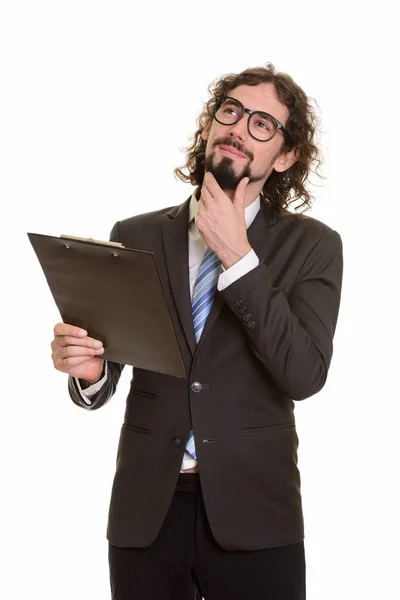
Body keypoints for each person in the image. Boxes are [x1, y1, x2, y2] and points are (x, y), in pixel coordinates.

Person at [51, 62, 343, 600]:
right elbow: (108, 370)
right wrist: (90, 372)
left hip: (256, 512)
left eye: (262, 123)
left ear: (284, 157)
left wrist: (237, 254)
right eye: (230, 111)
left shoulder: (315, 247)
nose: (238, 127)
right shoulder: (135, 234)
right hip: (148, 511)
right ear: (210, 125)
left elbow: (304, 373)